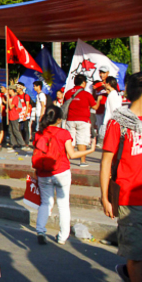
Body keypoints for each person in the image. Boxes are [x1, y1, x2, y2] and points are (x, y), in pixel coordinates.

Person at [99, 71, 142, 282]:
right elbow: (106, 161)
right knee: (134, 253)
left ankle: (127, 272)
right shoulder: (118, 122)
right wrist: (105, 197)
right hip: (129, 198)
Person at [32, 105, 95, 246]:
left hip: (43, 174)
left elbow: (37, 154)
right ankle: (62, 237)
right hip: (61, 172)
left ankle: (40, 230)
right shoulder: (64, 133)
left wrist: (36, 173)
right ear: (59, 119)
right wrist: (90, 151)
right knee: (63, 206)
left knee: (45, 203)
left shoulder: (38, 133)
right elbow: (72, 155)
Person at [62, 74, 97, 167]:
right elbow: (95, 106)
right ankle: (82, 161)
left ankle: (66, 161)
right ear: (84, 83)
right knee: (81, 141)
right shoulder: (87, 94)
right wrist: (100, 98)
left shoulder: (68, 93)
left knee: (70, 140)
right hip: (83, 120)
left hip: (70, 119)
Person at [98, 76, 122, 142]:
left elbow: (113, 110)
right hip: (113, 122)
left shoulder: (112, 94)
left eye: (105, 83)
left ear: (108, 84)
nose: (104, 84)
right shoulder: (117, 94)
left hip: (110, 122)